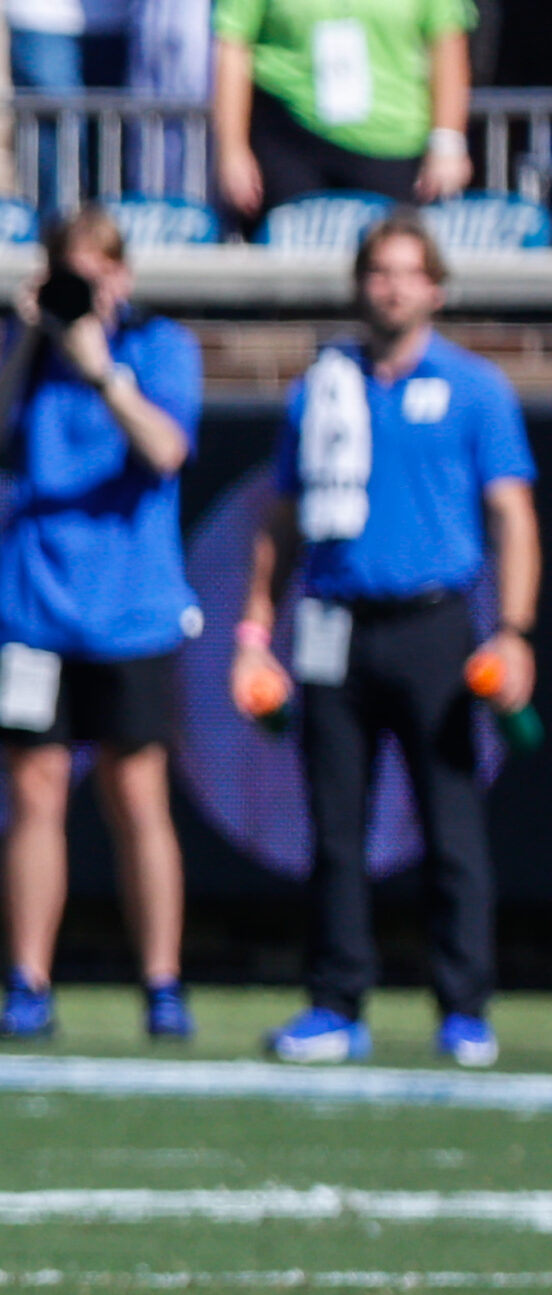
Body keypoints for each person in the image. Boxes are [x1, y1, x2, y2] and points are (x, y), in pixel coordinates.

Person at [232, 212, 537, 1066]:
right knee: (334, 826)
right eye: (378, 271)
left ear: (436, 288)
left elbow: (511, 513)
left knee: (451, 820)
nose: (392, 287)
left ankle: (464, 1005)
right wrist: (255, 631)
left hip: (436, 623)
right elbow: (281, 520)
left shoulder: (474, 388)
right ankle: (335, 1001)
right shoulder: (323, 388)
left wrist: (512, 632)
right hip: (333, 620)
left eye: (408, 272)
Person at [0, 205, 201, 1043]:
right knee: (33, 794)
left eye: (99, 271)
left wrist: (102, 369)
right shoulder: (29, 353)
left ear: (124, 277)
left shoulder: (161, 346)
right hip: (34, 610)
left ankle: (162, 982)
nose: (86, 287)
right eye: (71, 270)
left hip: (130, 613)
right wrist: (32, 339)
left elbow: (166, 450)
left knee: (137, 795)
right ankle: (28, 979)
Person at [213, 0, 474, 235]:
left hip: (393, 140)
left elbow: (447, 40)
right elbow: (234, 40)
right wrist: (232, 151)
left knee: (390, 262)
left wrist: (447, 143)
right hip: (287, 133)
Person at [5, 0, 133, 211]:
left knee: (109, 150)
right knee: (53, 149)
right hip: (42, 19)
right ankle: (50, 235)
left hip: (117, 21)